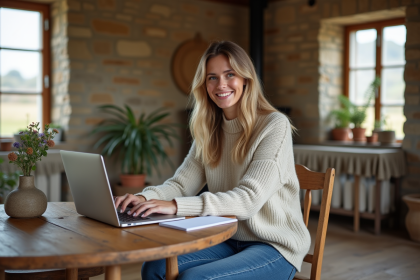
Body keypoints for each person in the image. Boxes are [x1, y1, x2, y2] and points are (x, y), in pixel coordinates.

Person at [114, 41, 310, 280]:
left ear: (246, 79)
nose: (221, 85)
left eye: (230, 75)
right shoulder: (209, 128)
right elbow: (181, 185)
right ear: (204, 85)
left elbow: (248, 200)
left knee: (195, 279)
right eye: (212, 78)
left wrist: (176, 206)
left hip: (275, 245)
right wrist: (144, 197)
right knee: (154, 267)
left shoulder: (273, 125)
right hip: (230, 237)